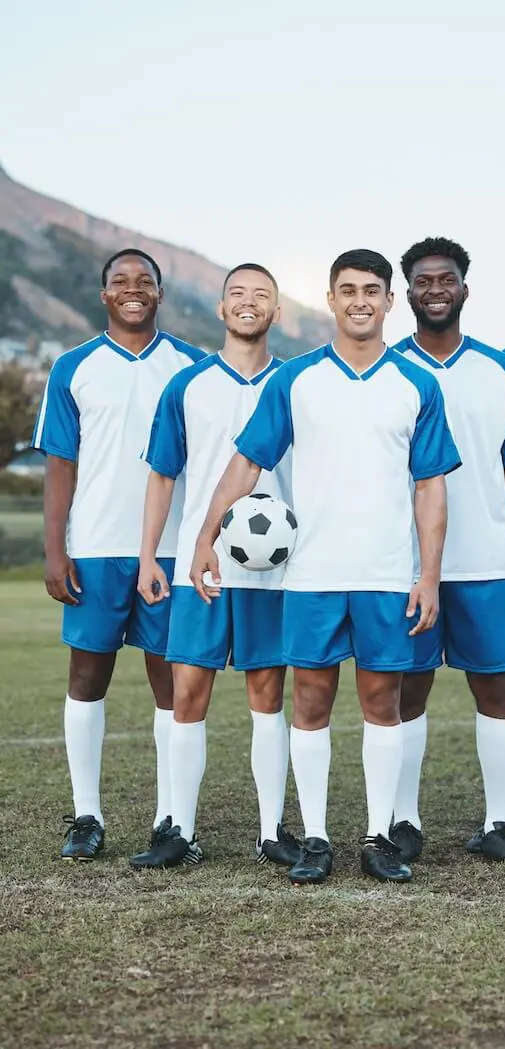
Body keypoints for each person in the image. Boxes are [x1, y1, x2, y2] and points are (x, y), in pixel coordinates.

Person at [190, 249, 461, 885]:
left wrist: (428, 574)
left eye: (372, 289)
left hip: (387, 574)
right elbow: (245, 462)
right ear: (331, 301)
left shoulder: (417, 385)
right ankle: (315, 838)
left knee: (381, 701)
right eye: (348, 290)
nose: (360, 300)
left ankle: (377, 836)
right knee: (309, 703)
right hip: (310, 574)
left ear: (390, 301)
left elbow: (431, 488)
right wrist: (206, 534)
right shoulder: (296, 381)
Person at [32, 248, 204, 861]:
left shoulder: (190, 366)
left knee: (172, 683)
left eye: (145, 281)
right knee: (87, 678)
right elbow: (60, 466)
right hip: (97, 547)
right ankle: (86, 816)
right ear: (104, 293)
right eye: (120, 281)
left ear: (160, 293)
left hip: (170, 550)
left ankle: (170, 820)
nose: (133, 289)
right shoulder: (73, 368)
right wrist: (56, 551)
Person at [392, 237, 505, 863]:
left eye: (447, 279)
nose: (435, 289)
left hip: (488, 562)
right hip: (407, 568)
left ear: (465, 288)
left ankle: (499, 822)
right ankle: (402, 820)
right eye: (423, 280)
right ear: (405, 292)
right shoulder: (388, 369)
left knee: (498, 690)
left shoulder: (500, 371)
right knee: (407, 692)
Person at [129, 263, 301, 870]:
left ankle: (271, 830)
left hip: (274, 570)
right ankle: (177, 828)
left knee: (267, 694)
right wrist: (152, 553)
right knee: (188, 694)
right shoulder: (188, 386)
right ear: (220, 310)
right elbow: (162, 474)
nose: (248, 303)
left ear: (276, 312)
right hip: (198, 567)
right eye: (237, 294)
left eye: (261, 296)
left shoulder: (296, 383)